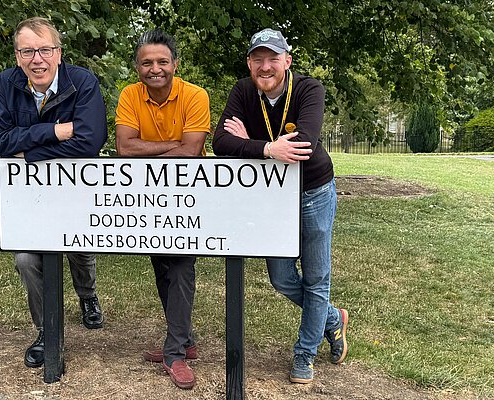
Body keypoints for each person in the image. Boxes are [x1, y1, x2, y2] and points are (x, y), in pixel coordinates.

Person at [212, 28, 349, 384]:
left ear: (287, 61)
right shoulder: (243, 91)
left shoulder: (308, 89)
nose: (265, 66)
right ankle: (333, 319)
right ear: (249, 63)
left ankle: (305, 353)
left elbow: (303, 144)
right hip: (271, 198)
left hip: (313, 191)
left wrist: (252, 143)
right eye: (258, 59)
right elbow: (220, 142)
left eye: (273, 58)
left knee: (317, 279)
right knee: (282, 278)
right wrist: (270, 149)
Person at [0, 17, 107, 369]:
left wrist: (28, 153)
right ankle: (46, 330)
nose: (36, 59)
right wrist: (56, 131)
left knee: (80, 249)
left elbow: (89, 142)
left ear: (58, 53)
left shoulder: (83, 81)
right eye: (27, 51)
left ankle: (87, 297)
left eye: (44, 50)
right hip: (29, 197)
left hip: (75, 190)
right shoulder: (5, 84)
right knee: (26, 259)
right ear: (17, 55)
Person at [115, 28, 210, 390]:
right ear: (138, 67)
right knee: (161, 266)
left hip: (188, 194)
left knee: (182, 267)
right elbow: (125, 148)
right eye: (147, 62)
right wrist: (175, 143)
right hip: (147, 195)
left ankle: (175, 353)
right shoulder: (129, 95)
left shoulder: (195, 95)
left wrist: (154, 145)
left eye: (162, 61)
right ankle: (184, 339)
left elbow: (193, 151)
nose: (155, 69)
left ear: (175, 64)